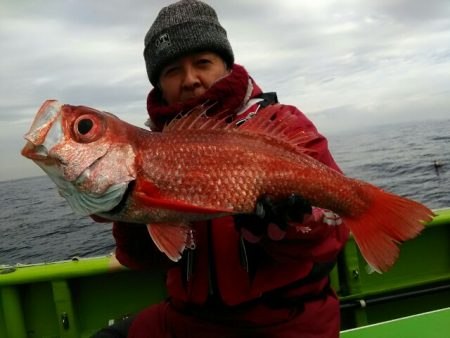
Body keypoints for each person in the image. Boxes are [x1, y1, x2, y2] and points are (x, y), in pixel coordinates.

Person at [93, 1, 349, 337]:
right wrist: (124, 208)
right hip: (188, 319)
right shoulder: (147, 147)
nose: (190, 80)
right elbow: (144, 259)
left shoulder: (282, 124)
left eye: (203, 63)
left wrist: (291, 223)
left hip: (284, 322)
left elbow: (334, 234)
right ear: (159, 85)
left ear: (226, 65)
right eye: (172, 71)